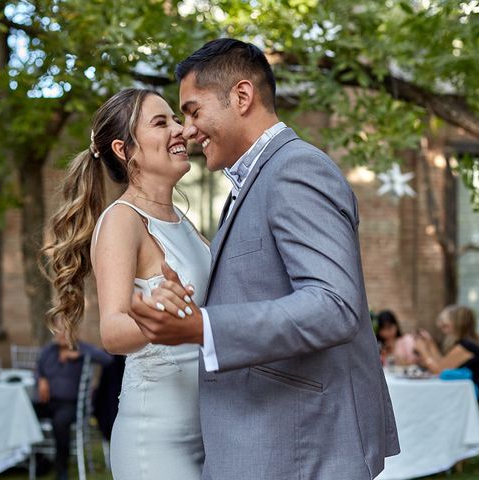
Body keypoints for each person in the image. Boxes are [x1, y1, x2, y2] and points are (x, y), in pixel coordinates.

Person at [128, 38, 400, 479]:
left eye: (194, 111)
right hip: (268, 442)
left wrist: (203, 328)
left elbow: (335, 305)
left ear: (241, 96)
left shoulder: (295, 170)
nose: (187, 130)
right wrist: (190, 310)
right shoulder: (253, 179)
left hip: (302, 447)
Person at [41, 88, 210, 479]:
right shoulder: (123, 221)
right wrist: (157, 316)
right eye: (161, 122)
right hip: (155, 441)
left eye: (176, 119)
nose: (180, 130)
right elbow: (113, 332)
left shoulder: (186, 225)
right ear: (124, 149)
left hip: (206, 433)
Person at [34, 323, 113, 480]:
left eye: (65, 332)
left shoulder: (82, 348)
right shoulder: (49, 351)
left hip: (72, 404)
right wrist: (40, 379)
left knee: (60, 423)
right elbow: (38, 369)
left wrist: (79, 353)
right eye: (58, 332)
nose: (61, 335)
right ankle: (35, 460)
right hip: (48, 401)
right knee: (24, 411)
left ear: (73, 333)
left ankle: (61, 469)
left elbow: (107, 359)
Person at [414, 305, 479, 412]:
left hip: (476, 398)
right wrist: (430, 343)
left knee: (428, 404)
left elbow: (439, 371)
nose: (441, 327)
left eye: (445, 324)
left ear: (458, 323)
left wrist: (423, 351)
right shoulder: (468, 343)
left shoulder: (466, 346)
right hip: (468, 393)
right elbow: (443, 364)